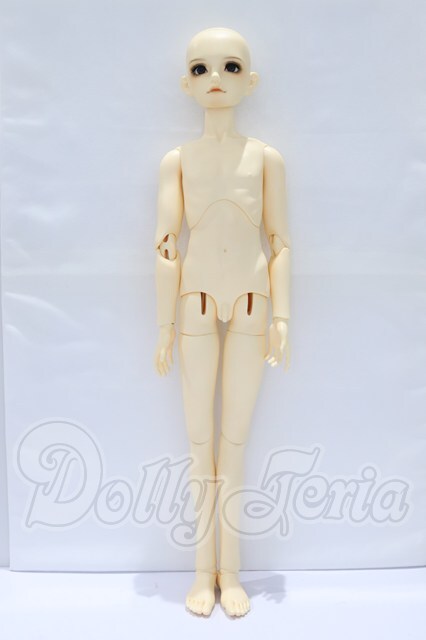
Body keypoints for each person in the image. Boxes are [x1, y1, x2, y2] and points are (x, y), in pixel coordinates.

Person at [154, 26, 290, 617]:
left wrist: (283, 315)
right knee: (199, 442)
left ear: (250, 82)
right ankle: (200, 571)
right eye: (201, 69)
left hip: (254, 303)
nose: (215, 78)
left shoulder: (265, 159)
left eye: (231, 67)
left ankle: (228, 571)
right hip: (196, 303)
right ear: (186, 84)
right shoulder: (177, 162)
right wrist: (164, 326)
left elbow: (280, 242)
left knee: (233, 442)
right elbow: (165, 246)